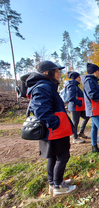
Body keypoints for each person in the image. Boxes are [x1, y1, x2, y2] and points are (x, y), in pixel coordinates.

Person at [26, 61, 77, 197]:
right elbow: (41, 110)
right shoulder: (43, 87)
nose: (59, 73)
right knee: (63, 156)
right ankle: (58, 186)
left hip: (53, 130)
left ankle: (53, 183)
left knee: (53, 156)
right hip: (54, 130)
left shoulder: (46, 86)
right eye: (56, 71)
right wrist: (55, 123)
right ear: (46, 73)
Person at [65, 71, 90, 144]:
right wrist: (79, 103)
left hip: (80, 107)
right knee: (75, 123)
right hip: (75, 107)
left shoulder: (75, 85)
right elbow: (70, 97)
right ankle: (75, 138)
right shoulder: (71, 85)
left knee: (86, 117)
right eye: (79, 77)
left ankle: (81, 132)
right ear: (76, 78)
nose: (80, 78)